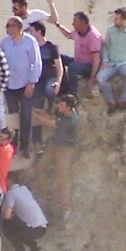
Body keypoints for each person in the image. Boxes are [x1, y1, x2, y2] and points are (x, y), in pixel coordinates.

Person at [0, 15, 42, 158]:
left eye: (9, 25)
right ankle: (13, 145)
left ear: (17, 27)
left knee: (25, 115)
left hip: (25, 85)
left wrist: (32, 82)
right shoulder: (5, 43)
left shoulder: (30, 41)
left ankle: (25, 147)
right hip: (10, 85)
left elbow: (36, 62)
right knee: (13, 115)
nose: (7, 28)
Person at [32, 94, 78, 226]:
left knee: (62, 176)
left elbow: (50, 123)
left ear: (68, 108)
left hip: (65, 149)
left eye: (62, 105)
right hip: (55, 144)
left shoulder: (70, 121)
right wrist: (40, 112)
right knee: (39, 168)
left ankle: (66, 207)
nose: (59, 106)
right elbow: (52, 118)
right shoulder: (66, 114)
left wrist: (35, 115)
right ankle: (45, 197)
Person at [49, 0, 104, 98]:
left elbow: (96, 59)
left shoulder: (93, 36)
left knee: (72, 68)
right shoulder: (79, 32)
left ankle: (71, 97)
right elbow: (69, 35)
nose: (72, 24)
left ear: (82, 23)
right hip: (79, 61)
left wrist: (92, 79)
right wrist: (57, 24)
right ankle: (62, 88)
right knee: (58, 58)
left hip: (89, 66)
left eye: (75, 22)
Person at [0, 181, 47, 251]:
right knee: (18, 225)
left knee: (6, 225)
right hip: (42, 227)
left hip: (34, 230)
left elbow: (7, 216)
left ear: (8, 181)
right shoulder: (24, 189)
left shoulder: (11, 193)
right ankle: (34, 246)